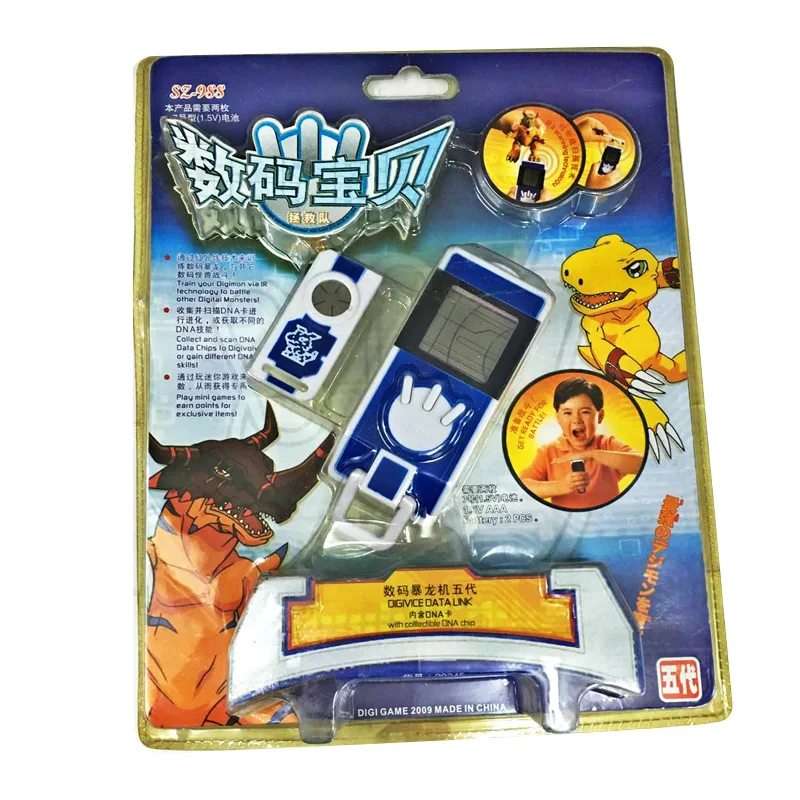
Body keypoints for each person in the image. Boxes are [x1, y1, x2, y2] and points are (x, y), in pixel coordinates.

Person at [520, 377, 644, 509]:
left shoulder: (607, 444)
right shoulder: (548, 452)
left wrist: (592, 455)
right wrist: (561, 486)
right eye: (567, 413)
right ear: (558, 418)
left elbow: (640, 464)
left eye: (585, 412)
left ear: (600, 416)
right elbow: (522, 486)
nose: (576, 420)